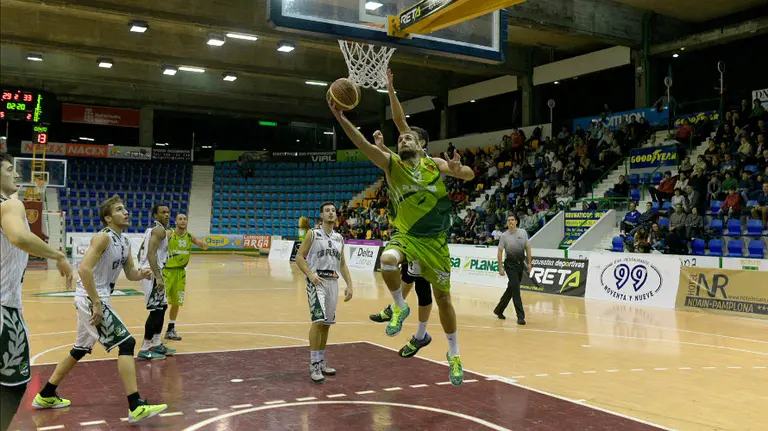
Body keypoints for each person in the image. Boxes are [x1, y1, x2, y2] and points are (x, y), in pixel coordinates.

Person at [329, 77, 475, 386]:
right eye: (401, 139)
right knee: (387, 260)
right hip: (407, 237)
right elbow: (363, 143)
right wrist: (341, 118)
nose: (403, 140)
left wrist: (459, 169)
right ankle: (398, 305)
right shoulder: (392, 164)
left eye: (409, 138)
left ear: (421, 145)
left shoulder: (434, 164)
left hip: (436, 242)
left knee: (443, 299)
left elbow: (469, 175)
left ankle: (454, 353)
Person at [32, 195, 167, 423]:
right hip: (90, 297)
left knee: (80, 349)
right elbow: (84, 269)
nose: (126, 212)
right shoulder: (103, 238)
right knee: (127, 343)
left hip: (98, 297)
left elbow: (130, 273)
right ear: (108, 218)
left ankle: (46, 394)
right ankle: (135, 405)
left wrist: (141, 274)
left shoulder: (125, 242)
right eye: (119, 209)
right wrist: (96, 302)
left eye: (125, 208)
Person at [1, 153, 74, 431]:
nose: (16, 174)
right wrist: (58, 255)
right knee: (14, 384)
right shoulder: (11, 205)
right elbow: (19, 237)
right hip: (4, 310)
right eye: (9, 169)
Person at [294, 202, 353, 383]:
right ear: (321, 215)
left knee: (326, 324)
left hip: (332, 283)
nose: (331, 213)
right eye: (327, 211)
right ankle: (313, 364)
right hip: (316, 281)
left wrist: (350, 285)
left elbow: (342, 264)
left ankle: (320, 361)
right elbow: (299, 257)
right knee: (318, 321)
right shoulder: (313, 234)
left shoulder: (339, 238)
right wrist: (310, 275)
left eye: (333, 211)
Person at [136, 205, 174, 360]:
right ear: (155, 216)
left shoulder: (151, 230)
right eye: (163, 212)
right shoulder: (159, 231)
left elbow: (139, 253)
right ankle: (145, 347)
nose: (167, 214)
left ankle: (156, 343)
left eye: (168, 212)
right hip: (152, 273)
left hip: (152, 271)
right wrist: (157, 276)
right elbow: (150, 253)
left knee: (162, 307)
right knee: (156, 310)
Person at [163, 213, 208, 341]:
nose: (183, 221)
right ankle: (154, 330)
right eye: (180, 219)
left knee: (176, 302)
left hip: (181, 273)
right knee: (161, 302)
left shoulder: (189, 236)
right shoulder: (169, 233)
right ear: (175, 221)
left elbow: (201, 244)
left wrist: (204, 244)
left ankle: (171, 328)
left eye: (185, 219)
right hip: (167, 271)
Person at [494, 214, 532, 325]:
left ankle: (499, 310)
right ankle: (520, 317)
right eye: (508, 220)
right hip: (510, 265)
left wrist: (530, 263)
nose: (510, 222)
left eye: (512, 220)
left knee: (511, 289)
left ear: (516, 222)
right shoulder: (504, 236)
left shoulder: (523, 233)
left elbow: (528, 248)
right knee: (516, 289)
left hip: (520, 265)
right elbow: (500, 251)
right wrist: (500, 267)